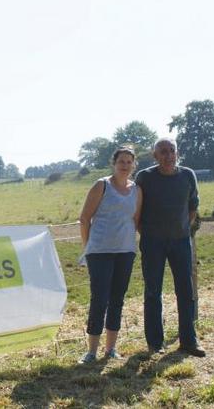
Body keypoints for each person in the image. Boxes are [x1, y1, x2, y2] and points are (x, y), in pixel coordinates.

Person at [135, 138, 205, 357]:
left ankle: (189, 341)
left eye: (171, 151)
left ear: (177, 153)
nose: (168, 155)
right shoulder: (144, 178)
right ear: (154, 155)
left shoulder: (187, 175)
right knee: (153, 292)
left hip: (181, 241)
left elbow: (192, 207)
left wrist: (182, 228)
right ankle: (155, 343)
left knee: (185, 291)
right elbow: (136, 210)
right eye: (163, 152)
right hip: (152, 242)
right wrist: (147, 232)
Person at [77, 147, 142, 364]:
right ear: (113, 164)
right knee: (99, 299)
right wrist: (88, 247)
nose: (125, 165)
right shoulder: (101, 185)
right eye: (121, 161)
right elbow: (85, 219)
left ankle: (111, 349)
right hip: (100, 252)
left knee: (117, 300)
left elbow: (135, 220)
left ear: (134, 165)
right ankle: (91, 351)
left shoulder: (137, 190)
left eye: (129, 162)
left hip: (125, 252)